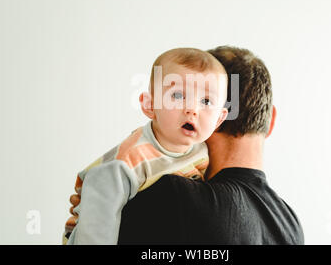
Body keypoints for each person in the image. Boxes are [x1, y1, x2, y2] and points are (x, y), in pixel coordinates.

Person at [116, 46, 305, 244]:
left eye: (204, 100)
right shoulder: (291, 225)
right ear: (272, 120)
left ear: (217, 118)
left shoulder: (171, 199)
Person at [63, 48, 229, 244]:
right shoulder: (127, 162)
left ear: (219, 119)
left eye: (206, 101)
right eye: (177, 96)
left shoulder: (201, 151)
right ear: (150, 105)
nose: (192, 109)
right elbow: (96, 222)